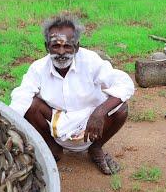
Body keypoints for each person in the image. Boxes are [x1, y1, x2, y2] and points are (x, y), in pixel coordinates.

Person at [9, 14, 134, 174]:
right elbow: (21, 96)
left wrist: (100, 112)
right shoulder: (38, 68)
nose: (61, 52)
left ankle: (96, 148)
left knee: (121, 108)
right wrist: (6, 124)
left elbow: (124, 83)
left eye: (67, 46)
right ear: (47, 47)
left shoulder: (90, 61)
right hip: (56, 120)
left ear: (76, 47)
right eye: (55, 46)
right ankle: (53, 148)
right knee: (30, 105)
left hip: (91, 122)